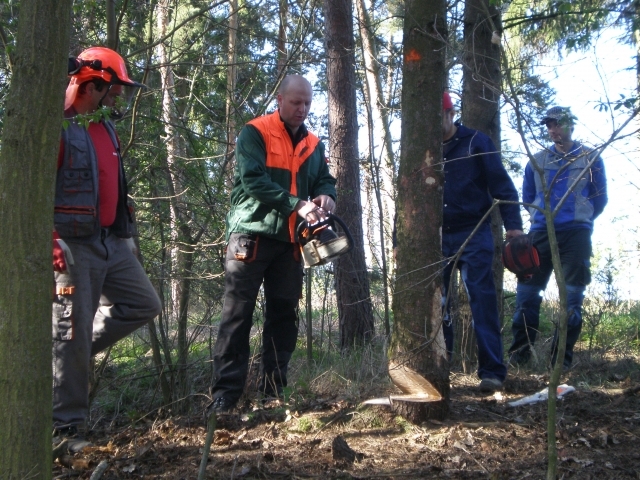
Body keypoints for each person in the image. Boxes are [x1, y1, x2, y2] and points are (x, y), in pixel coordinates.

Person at [207, 75, 337, 415]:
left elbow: (324, 178)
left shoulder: (313, 143)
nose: (302, 108)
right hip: (250, 234)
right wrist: (297, 204)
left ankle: (273, 392)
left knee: (284, 315)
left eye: (307, 103)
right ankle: (225, 396)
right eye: (296, 102)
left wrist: (326, 195)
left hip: (290, 242)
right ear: (279, 100)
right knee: (237, 314)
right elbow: (253, 181)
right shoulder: (255, 132)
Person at [52, 47, 162, 451]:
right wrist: (50, 239)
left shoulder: (105, 127)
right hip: (72, 244)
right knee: (69, 333)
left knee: (143, 303)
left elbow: (114, 184)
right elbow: (32, 190)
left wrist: (125, 233)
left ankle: (63, 351)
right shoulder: (59, 124)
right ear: (93, 85)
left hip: (110, 241)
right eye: (114, 89)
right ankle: (65, 430)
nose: (119, 96)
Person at [508, 106, 607, 370]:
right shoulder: (537, 160)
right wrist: (539, 219)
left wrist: (581, 219)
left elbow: (599, 198)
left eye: (557, 124)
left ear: (570, 125)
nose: (553, 130)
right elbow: (528, 197)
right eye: (549, 125)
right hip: (540, 234)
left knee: (572, 299)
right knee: (527, 296)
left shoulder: (590, 158)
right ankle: (520, 358)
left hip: (576, 236)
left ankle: (560, 363)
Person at [440, 91, 523, 393]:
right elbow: (408, 196)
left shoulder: (476, 142)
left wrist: (514, 227)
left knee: (481, 300)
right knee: (436, 303)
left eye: (439, 117)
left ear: (451, 114)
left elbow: (502, 185)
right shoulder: (422, 147)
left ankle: (492, 372)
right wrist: (399, 240)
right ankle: (439, 369)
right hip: (436, 235)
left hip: (474, 232)